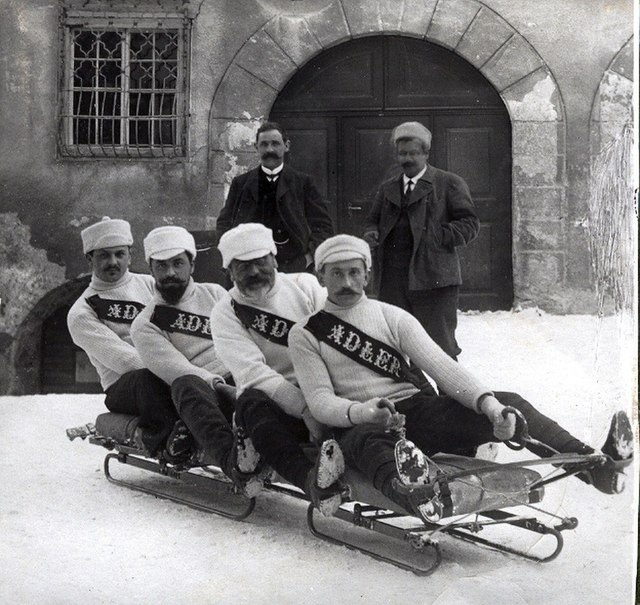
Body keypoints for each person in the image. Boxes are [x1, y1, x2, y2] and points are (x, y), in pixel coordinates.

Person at [288, 234, 634, 521]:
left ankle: (593, 464)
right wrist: (363, 412)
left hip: (415, 413)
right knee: (370, 441)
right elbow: (320, 402)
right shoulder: (306, 334)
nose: (346, 283)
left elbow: (444, 368)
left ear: (367, 274)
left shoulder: (391, 316)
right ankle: (419, 494)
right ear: (321, 277)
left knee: (509, 402)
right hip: (356, 424)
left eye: (354, 272)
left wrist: (490, 407)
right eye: (336, 274)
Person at [210, 223, 345, 512]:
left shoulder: (305, 287)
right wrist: (307, 410)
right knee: (249, 403)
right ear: (229, 273)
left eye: (261, 262)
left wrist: (323, 403)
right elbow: (254, 374)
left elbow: (337, 339)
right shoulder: (225, 313)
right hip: (279, 407)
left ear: (275, 258)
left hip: (326, 391)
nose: (255, 272)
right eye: (243, 267)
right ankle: (309, 480)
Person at [129, 225, 265, 492]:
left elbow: (246, 338)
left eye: (178, 263)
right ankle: (234, 463)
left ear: (191, 264)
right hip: (205, 397)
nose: (170, 273)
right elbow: (176, 369)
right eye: (162, 266)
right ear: (150, 269)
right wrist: (224, 388)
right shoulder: (144, 323)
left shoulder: (215, 294)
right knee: (185, 383)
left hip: (243, 379)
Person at [67, 217, 183, 457]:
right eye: (103, 256)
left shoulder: (152, 285)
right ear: (90, 258)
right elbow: (125, 361)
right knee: (145, 379)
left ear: (130, 255)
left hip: (172, 369)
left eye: (120, 254)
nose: (113, 262)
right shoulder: (82, 311)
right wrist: (182, 372)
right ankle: (165, 439)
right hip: (126, 386)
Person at [363, 121, 480, 360]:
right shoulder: (388, 188)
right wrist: (371, 232)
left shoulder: (448, 183)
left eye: (413, 153)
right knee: (395, 347)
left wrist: (435, 236)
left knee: (441, 348)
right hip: (393, 282)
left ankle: (450, 397)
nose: (407, 159)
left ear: (426, 153)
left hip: (434, 279)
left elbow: (470, 224)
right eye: (402, 153)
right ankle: (414, 397)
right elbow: (371, 221)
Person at [216, 121, 334, 273]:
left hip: (295, 268)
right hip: (251, 269)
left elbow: (323, 225)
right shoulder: (241, 183)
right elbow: (225, 224)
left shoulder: (303, 183)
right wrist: (232, 259)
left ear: (287, 146)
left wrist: (309, 259)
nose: (269, 149)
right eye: (264, 144)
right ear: (256, 147)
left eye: (275, 144)